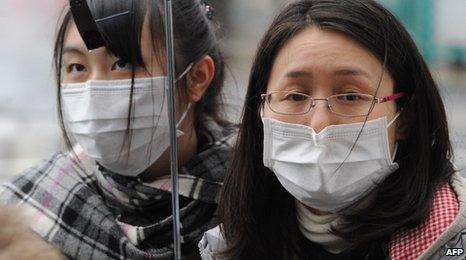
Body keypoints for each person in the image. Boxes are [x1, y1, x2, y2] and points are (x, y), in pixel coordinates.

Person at [199, 0, 466, 259]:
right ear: (261, 112)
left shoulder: (450, 242)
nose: (319, 124)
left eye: (350, 97)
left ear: (404, 118)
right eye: (295, 96)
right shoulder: (229, 243)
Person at [0, 0, 236, 259]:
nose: (93, 91)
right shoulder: (24, 215)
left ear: (197, 78)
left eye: (122, 63)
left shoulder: (261, 194)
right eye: (77, 67)